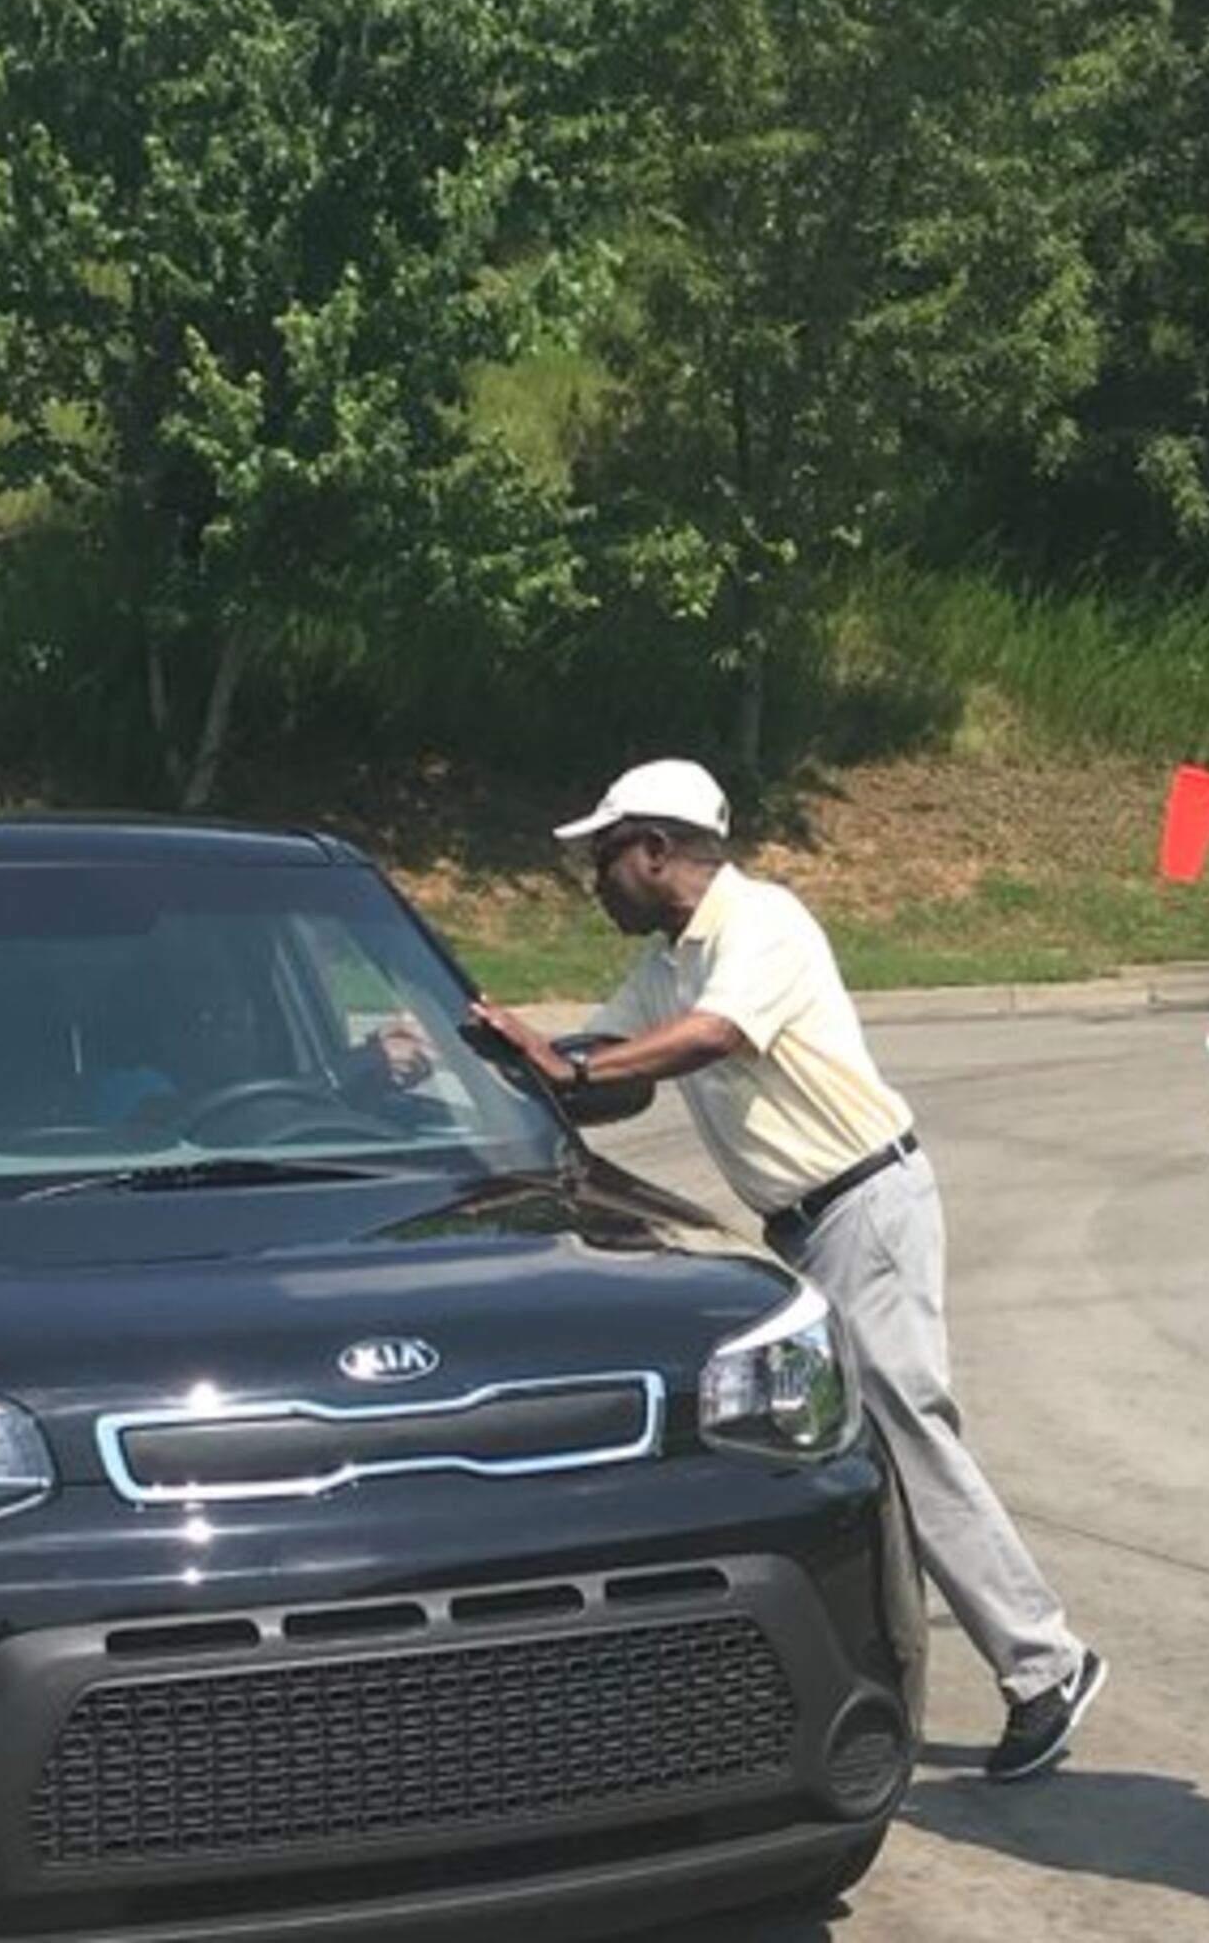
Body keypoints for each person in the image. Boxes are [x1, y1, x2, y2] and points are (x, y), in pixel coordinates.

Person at [470, 757, 1111, 1782]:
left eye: (604, 857)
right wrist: (497, 1059)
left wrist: (579, 1065)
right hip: (808, 1228)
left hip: (867, 1202)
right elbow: (607, 1076)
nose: (594, 879)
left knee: (906, 1434)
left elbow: (708, 1039)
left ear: (656, 850)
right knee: (854, 1443)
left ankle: (1045, 1665)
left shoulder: (760, 924)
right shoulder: (670, 961)